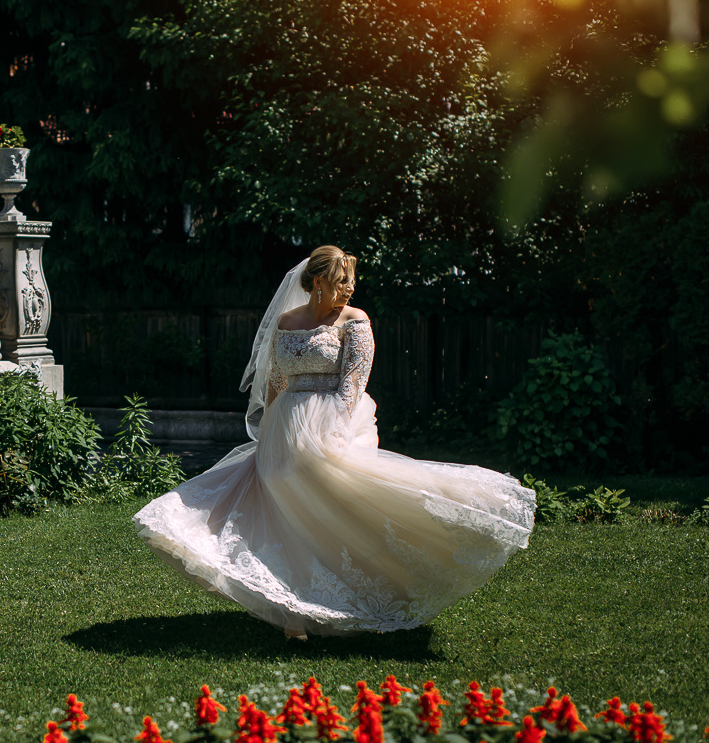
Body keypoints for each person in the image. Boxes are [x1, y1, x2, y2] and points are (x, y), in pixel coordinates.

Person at [132, 246, 535, 638]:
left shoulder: (355, 321)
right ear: (319, 281)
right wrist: (268, 429)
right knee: (283, 516)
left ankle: (347, 595)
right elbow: (276, 380)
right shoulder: (287, 321)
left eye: (352, 280)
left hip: (330, 426)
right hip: (283, 430)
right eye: (343, 280)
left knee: (327, 514)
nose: (351, 288)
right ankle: (293, 611)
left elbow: (353, 385)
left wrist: (332, 435)